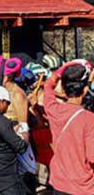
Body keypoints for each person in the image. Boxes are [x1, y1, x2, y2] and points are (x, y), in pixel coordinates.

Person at [43, 60, 94, 195]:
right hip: (82, 186)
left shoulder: (53, 109)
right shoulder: (89, 119)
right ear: (85, 90)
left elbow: (48, 86)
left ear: (64, 90)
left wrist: (63, 69)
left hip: (59, 182)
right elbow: (92, 156)